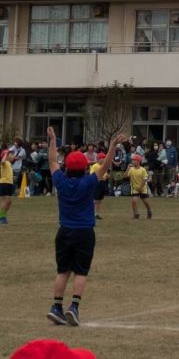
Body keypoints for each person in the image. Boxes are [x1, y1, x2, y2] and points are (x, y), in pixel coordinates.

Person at [46, 129, 122, 326]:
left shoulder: (60, 181)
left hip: (64, 231)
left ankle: (56, 307)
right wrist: (113, 146)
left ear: (67, 167)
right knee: (81, 271)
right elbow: (105, 166)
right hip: (84, 232)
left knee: (63, 271)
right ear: (84, 168)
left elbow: (53, 161)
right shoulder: (88, 182)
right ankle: (74, 307)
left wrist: (53, 139)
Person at [125, 154, 153, 220]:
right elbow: (125, 176)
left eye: (133, 160)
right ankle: (136, 214)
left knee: (145, 201)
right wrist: (128, 168)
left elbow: (144, 180)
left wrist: (140, 188)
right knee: (134, 201)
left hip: (142, 188)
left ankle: (149, 211)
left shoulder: (142, 170)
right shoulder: (131, 169)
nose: (132, 161)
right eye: (132, 160)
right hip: (134, 188)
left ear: (138, 161)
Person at [0, 148, 15, 224]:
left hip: (9, 184)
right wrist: (6, 153)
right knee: (6, 200)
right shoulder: (4, 162)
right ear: (6, 156)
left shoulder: (9, 163)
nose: (13, 156)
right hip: (4, 183)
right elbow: (2, 161)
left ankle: (3, 215)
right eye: (11, 155)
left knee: (9, 202)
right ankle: (1, 217)